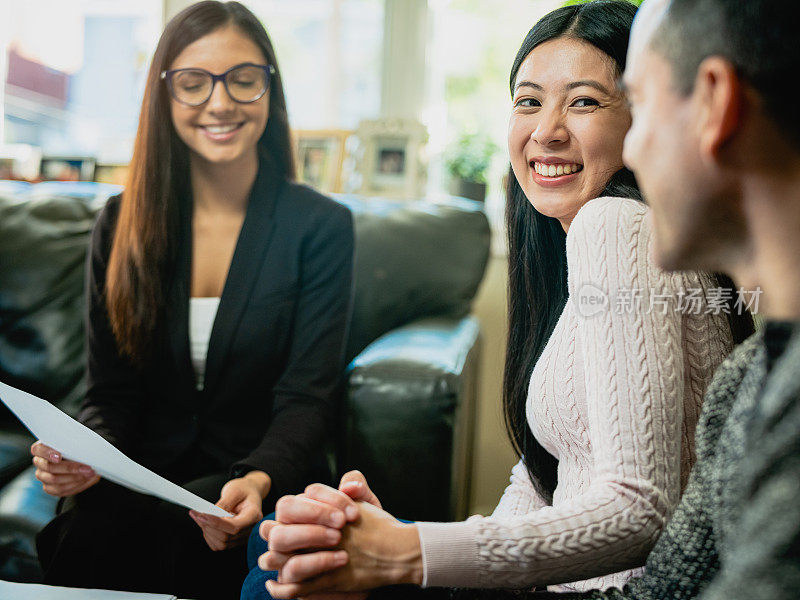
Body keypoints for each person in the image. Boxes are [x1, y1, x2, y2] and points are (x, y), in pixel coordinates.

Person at [261, 0, 800, 598]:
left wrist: (409, 555)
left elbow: (643, 511)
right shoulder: (581, 246)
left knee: (279, 566)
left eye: (590, 101)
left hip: (598, 586)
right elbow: (545, 477)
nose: (547, 130)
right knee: (295, 552)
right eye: (528, 100)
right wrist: (414, 549)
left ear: (714, 104)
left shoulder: (614, 225)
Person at [30, 2, 354, 599]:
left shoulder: (322, 227)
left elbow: (306, 398)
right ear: (164, 94)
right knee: (87, 543)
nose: (220, 101)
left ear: (269, 89)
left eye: (243, 78)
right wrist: (80, 453)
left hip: (259, 478)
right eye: (193, 82)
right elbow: (110, 394)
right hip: (141, 479)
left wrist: (258, 478)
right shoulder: (120, 222)